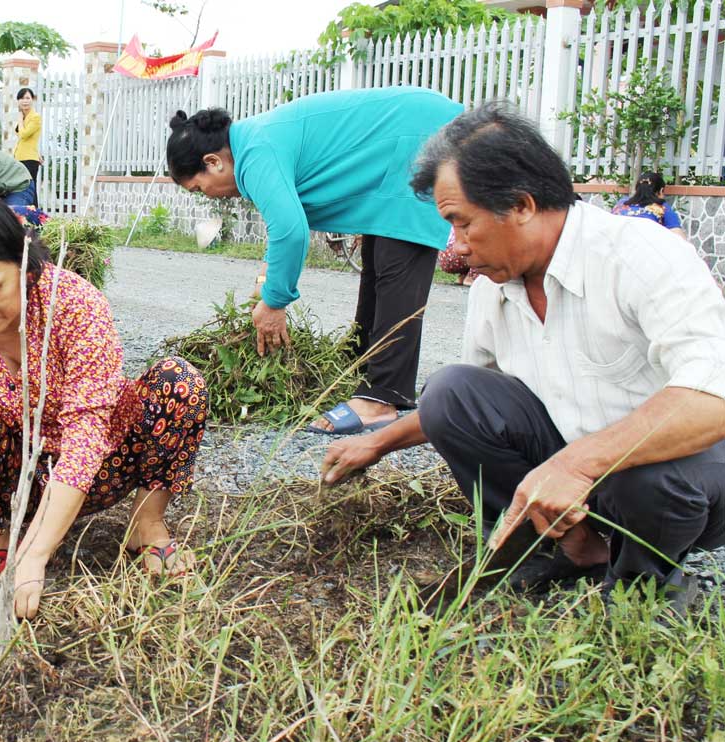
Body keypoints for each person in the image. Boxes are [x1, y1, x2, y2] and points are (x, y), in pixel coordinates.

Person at [321, 102, 725, 610]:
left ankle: (643, 582)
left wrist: (578, 464)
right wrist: (377, 442)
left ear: (522, 205)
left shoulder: (641, 254)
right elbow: (466, 408)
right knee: (452, 389)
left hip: (682, 472)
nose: (457, 245)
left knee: (647, 478)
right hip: (584, 472)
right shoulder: (495, 286)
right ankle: (570, 548)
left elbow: (712, 397)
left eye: (462, 223)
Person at [0, 190, 207, 618]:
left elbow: (86, 439)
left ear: (20, 260)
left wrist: (36, 553)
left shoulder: (73, 306)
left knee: (179, 383)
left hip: (97, 468)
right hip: (11, 478)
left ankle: (146, 524)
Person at [167, 89, 463, 436]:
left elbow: (291, 232)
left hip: (419, 135)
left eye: (200, 188)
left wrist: (275, 303)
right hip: (409, 135)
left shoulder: (256, 152)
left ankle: (381, 398)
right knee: (379, 263)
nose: (208, 196)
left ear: (213, 162)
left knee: (398, 261)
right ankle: (359, 368)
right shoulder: (253, 143)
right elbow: (283, 225)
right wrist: (266, 284)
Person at [611, 172, 686, 240]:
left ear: (637, 189)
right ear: (661, 191)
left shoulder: (621, 204)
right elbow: (680, 240)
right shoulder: (662, 208)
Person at [14, 87, 42, 207]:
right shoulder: (25, 117)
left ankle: (37, 218)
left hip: (29, 159)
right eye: (21, 98)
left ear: (32, 100)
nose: (25, 101)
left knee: (30, 188)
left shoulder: (35, 117)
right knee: (22, 188)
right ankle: (26, 215)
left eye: (27, 98)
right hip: (20, 158)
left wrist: (20, 120)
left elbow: (24, 134)